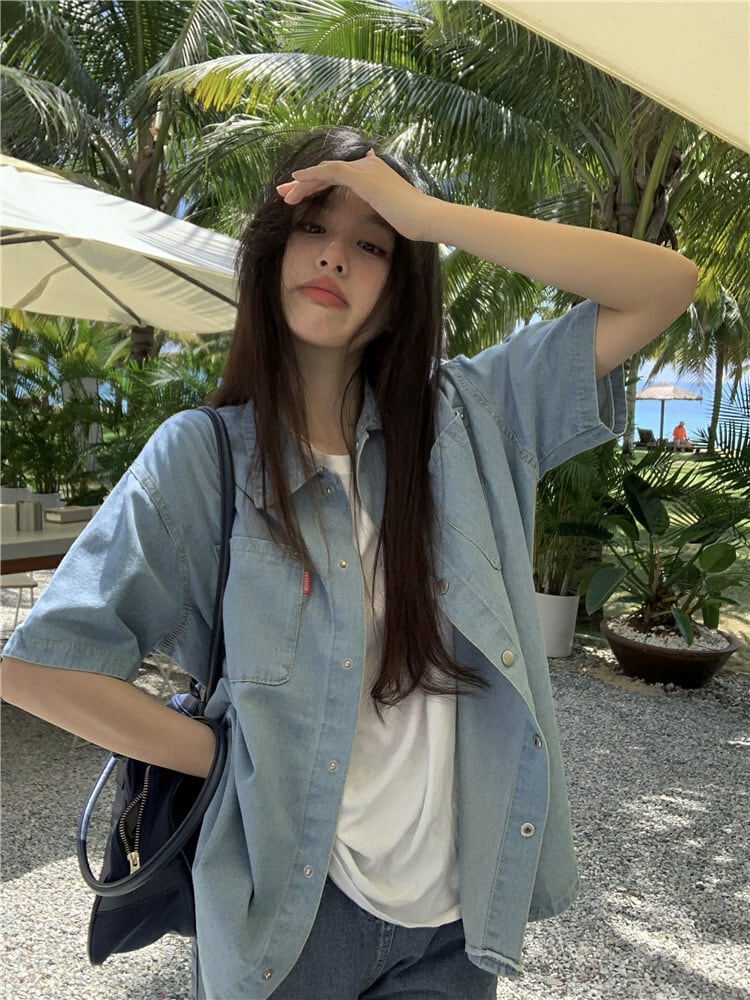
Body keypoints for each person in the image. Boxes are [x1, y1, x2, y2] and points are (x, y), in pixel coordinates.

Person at [0, 127, 697, 999]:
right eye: (312, 228)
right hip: (289, 919)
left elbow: (665, 286)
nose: (335, 256)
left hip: (453, 925)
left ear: (401, 292)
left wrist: (427, 218)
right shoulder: (205, 457)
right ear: (271, 251)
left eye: (372, 246)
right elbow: (39, 669)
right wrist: (227, 756)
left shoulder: (472, 419)